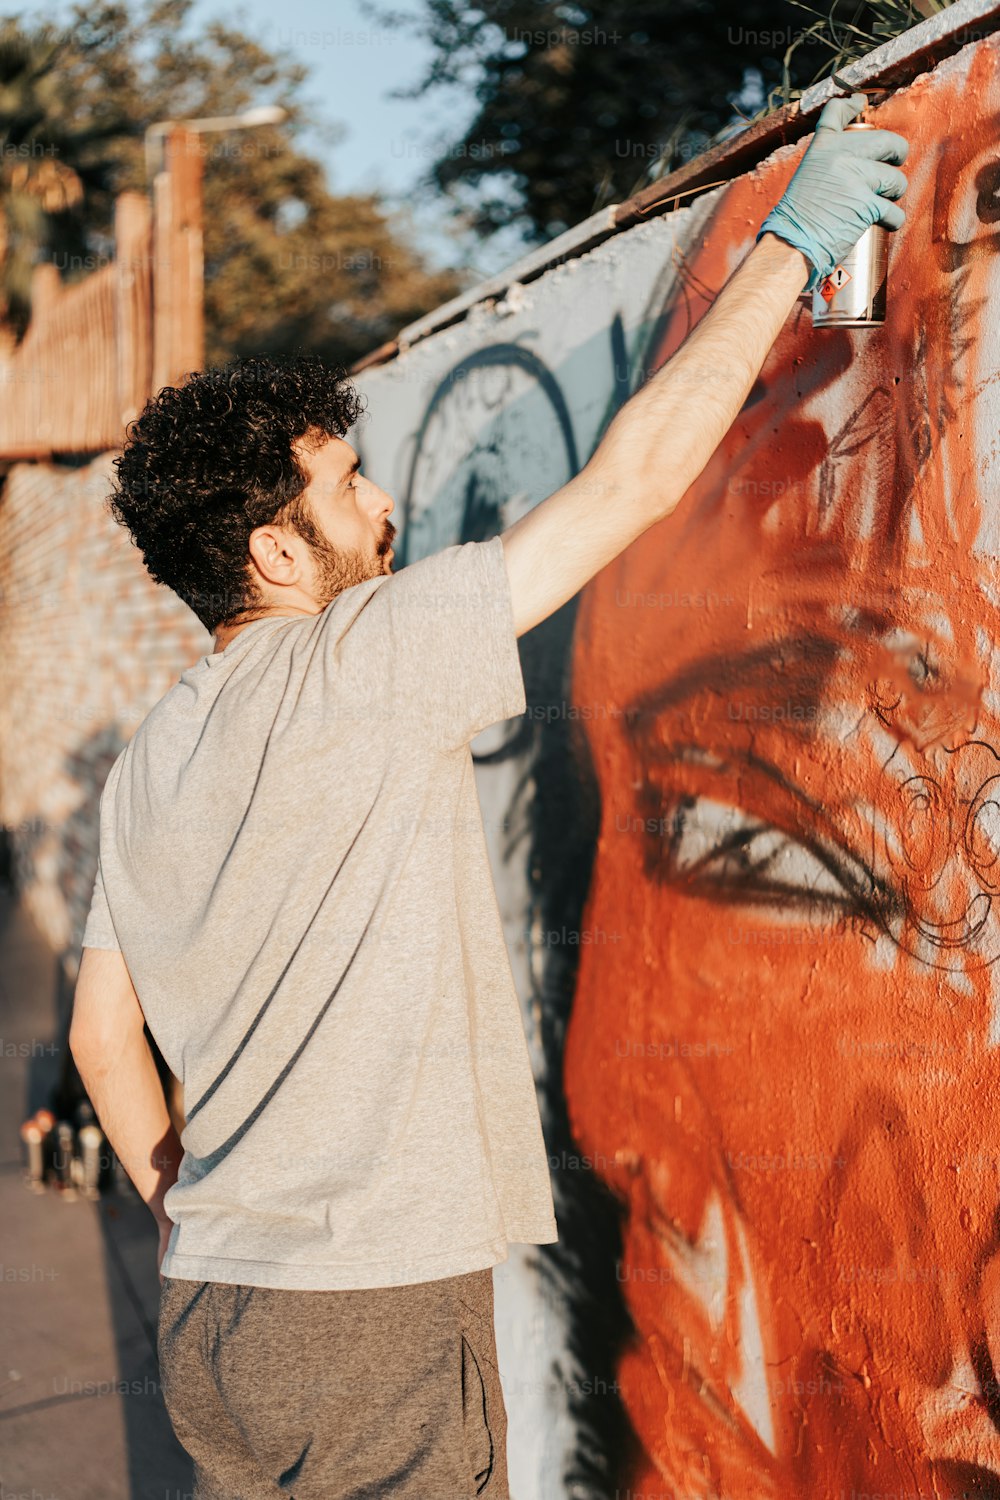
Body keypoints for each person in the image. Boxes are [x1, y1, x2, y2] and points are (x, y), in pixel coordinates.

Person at [69, 92, 907, 1500]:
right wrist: (794, 240)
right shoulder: (360, 662)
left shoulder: (148, 756)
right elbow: (630, 479)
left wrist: (201, 1216)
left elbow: (103, 1036)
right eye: (348, 488)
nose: (384, 508)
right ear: (276, 553)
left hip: (220, 1307)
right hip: (371, 1311)